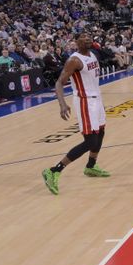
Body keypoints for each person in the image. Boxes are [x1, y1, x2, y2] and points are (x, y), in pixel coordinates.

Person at [42, 32, 110, 195]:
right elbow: (59, 83)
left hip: (97, 99)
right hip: (85, 102)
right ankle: (54, 170)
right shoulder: (74, 60)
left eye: (89, 37)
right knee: (90, 141)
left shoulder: (92, 54)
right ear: (76, 42)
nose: (88, 39)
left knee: (100, 132)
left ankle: (91, 167)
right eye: (83, 37)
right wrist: (62, 104)